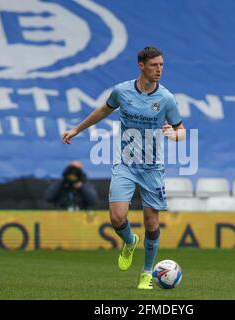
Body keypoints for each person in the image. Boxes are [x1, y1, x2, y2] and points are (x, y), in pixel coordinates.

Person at [62, 47, 185, 290]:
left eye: (161, 65)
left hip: (152, 168)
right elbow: (103, 111)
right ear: (141, 65)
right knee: (117, 216)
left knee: (151, 223)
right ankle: (129, 241)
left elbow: (181, 130)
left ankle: (147, 273)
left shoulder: (167, 99)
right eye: (154, 65)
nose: (159, 70)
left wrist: (174, 134)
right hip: (125, 164)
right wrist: (77, 129)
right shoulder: (122, 91)